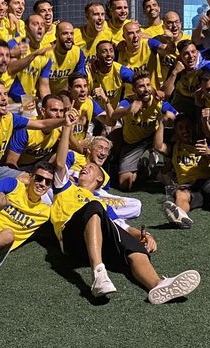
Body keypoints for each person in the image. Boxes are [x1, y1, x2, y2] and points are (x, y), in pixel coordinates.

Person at [51, 112, 201, 303]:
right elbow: (59, 162)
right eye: (84, 168)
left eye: (91, 169)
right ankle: (99, 275)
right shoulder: (65, 187)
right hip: (71, 241)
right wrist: (66, 127)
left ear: (99, 179)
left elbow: (120, 225)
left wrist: (142, 236)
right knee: (95, 207)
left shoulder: (101, 202)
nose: (85, 168)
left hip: (96, 238)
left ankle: (156, 285)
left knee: (132, 245)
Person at [156, 115, 210, 229]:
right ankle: (181, 217)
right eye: (181, 128)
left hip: (208, 183)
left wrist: (208, 151)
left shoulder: (204, 143)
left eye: (188, 127)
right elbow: (158, 147)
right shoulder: (174, 147)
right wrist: (161, 123)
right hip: (188, 186)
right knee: (180, 194)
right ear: (176, 131)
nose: (185, 130)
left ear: (193, 128)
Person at [108, 70, 178, 191]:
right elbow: (114, 115)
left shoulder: (158, 101)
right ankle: (143, 166)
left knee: (177, 130)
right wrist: (128, 109)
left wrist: (168, 118)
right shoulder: (128, 101)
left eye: (148, 85)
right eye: (141, 86)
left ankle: (168, 168)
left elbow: (178, 118)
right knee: (125, 184)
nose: (146, 89)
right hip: (134, 142)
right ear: (134, 90)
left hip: (154, 136)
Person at [5, 94, 67, 169]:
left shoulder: (60, 128)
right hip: (21, 166)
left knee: (68, 154)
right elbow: (11, 162)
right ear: (43, 111)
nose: (59, 115)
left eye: (61, 111)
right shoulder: (27, 130)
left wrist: (68, 128)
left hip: (40, 163)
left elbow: (78, 149)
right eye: (54, 110)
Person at [42, 21, 87, 96]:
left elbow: (80, 79)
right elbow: (40, 83)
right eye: (65, 33)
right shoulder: (45, 52)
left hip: (64, 93)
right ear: (56, 36)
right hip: (42, 95)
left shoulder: (77, 52)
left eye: (71, 33)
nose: (69, 37)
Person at [88, 39, 135, 110]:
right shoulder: (88, 71)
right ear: (97, 55)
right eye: (104, 51)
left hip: (112, 113)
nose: (109, 54)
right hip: (92, 115)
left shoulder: (121, 71)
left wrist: (124, 103)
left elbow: (140, 82)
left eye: (111, 51)